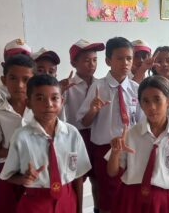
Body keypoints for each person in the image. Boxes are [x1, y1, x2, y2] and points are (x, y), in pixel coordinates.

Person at [0, 74, 91, 213]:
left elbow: (78, 176)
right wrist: (24, 179)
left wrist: (79, 209)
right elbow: (9, 176)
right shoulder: (21, 137)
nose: (48, 104)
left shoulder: (72, 134)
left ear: (62, 101)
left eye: (54, 98)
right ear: (29, 103)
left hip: (67, 200)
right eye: (40, 98)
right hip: (35, 202)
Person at [105, 75, 169, 213]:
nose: (151, 107)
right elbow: (112, 172)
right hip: (131, 198)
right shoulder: (130, 134)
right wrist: (115, 153)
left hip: (162, 201)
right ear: (140, 104)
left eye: (157, 100)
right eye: (145, 101)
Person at [76, 36, 144, 213]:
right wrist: (93, 110)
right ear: (108, 61)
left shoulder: (136, 89)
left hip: (130, 147)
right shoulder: (98, 87)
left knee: (129, 191)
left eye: (129, 58)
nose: (126, 63)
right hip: (104, 149)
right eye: (119, 58)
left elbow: (141, 121)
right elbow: (84, 121)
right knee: (107, 194)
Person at [0, 54, 34, 213]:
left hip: (37, 170)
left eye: (26, 80)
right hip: (9, 172)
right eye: (13, 78)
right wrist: (17, 152)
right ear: (4, 80)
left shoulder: (40, 110)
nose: (19, 85)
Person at [64, 38, 105, 213]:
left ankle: (97, 208)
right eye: (86, 60)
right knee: (77, 180)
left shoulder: (100, 85)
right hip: (74, 138)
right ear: (74, 62)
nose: (92, 64)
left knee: (97, 179)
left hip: (95, 136)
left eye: (95, 60)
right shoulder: (67, 86)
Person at [0, 38, 32, 123]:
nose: (19, 61)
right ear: (4, 64)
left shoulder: (36, 97)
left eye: (24, 58)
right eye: (13, 58)